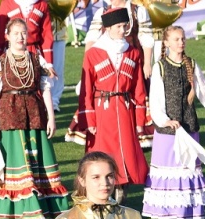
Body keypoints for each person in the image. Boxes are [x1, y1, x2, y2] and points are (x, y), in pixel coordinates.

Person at [0, 18, 69, 219]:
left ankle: (43, 209)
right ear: (7, 36)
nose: (20, 37)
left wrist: (51, 118)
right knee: (16, 163)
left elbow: (45, 89)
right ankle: (17, 214)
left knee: (37, 159)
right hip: (10, 115)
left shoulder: (37, 60)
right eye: (16, 33)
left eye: (23, 33)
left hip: (34, 113)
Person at [142, 26, 205, 219]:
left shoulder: (192, 65)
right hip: (168, 130)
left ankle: (189, 212)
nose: (181, 42)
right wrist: (164, 120)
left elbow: (204, 89)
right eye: (176, 39)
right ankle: (172, 212)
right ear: (166, 43)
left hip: (188, 124)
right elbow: (156, 98)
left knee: (187, 168)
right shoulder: (160, 67)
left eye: (183, 39)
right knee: (169, 169)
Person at [78, 7, 148, 204]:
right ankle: (99, 195)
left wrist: (140, 119)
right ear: (108, 27)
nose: (123, 30)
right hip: (102, 111)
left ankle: (121, 192)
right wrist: (89, 119)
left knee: (126, 153)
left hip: (125, 110)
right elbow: (86, 90)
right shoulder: (93, 53)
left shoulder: (133, 52)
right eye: (119, 26)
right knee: (102, 152)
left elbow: (138, 87)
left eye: (125, 26)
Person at [66, 0, 154, 147]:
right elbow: (91, 39)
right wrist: (88, 66)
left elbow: (147, 39)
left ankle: (137, 135)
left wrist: (147, 64)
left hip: (131, 63)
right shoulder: (102, 12)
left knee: (138, 97)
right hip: (107, 66)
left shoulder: (138, 11)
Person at [0, 0, 54, 66]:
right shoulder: (6, 3)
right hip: (11, 53)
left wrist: (49, 63)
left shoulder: (42, 4)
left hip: (34, 54)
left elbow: (46, 35)